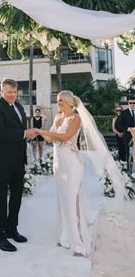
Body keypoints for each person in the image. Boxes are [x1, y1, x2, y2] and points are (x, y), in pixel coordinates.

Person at [35, 90, 126, 258]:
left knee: (71, 200)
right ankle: (65, 236)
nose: (58, 103)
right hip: (58, 164)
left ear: (70, 102)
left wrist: (41, 131)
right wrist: (42, 134)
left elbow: (65, 137)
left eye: (61, 100)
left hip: (72, 165)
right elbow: (51, 139)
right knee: (62, 200)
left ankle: (79, 243)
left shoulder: (75, 118)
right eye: (57, 101)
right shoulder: (57, 117)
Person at [0, 78, 36, 252]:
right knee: (0, 199)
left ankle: (11, 229)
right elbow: (0, 132)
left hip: (18, 161)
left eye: (15, 92)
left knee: (16, 197)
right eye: (9, 92)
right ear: (1, 92)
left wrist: (27, 135)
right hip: (1, 162)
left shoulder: (20, 106)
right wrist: (24, 133)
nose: (12, 95)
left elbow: (19, 131)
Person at [118, 97, 135, 172]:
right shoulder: (124, 113)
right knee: (128, 153)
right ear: (128, 103)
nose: (132, 104)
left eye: (134, 103)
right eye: (130, 103)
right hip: (128, 137)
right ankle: (129, 170)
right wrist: (128, 129)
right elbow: (119, 124)